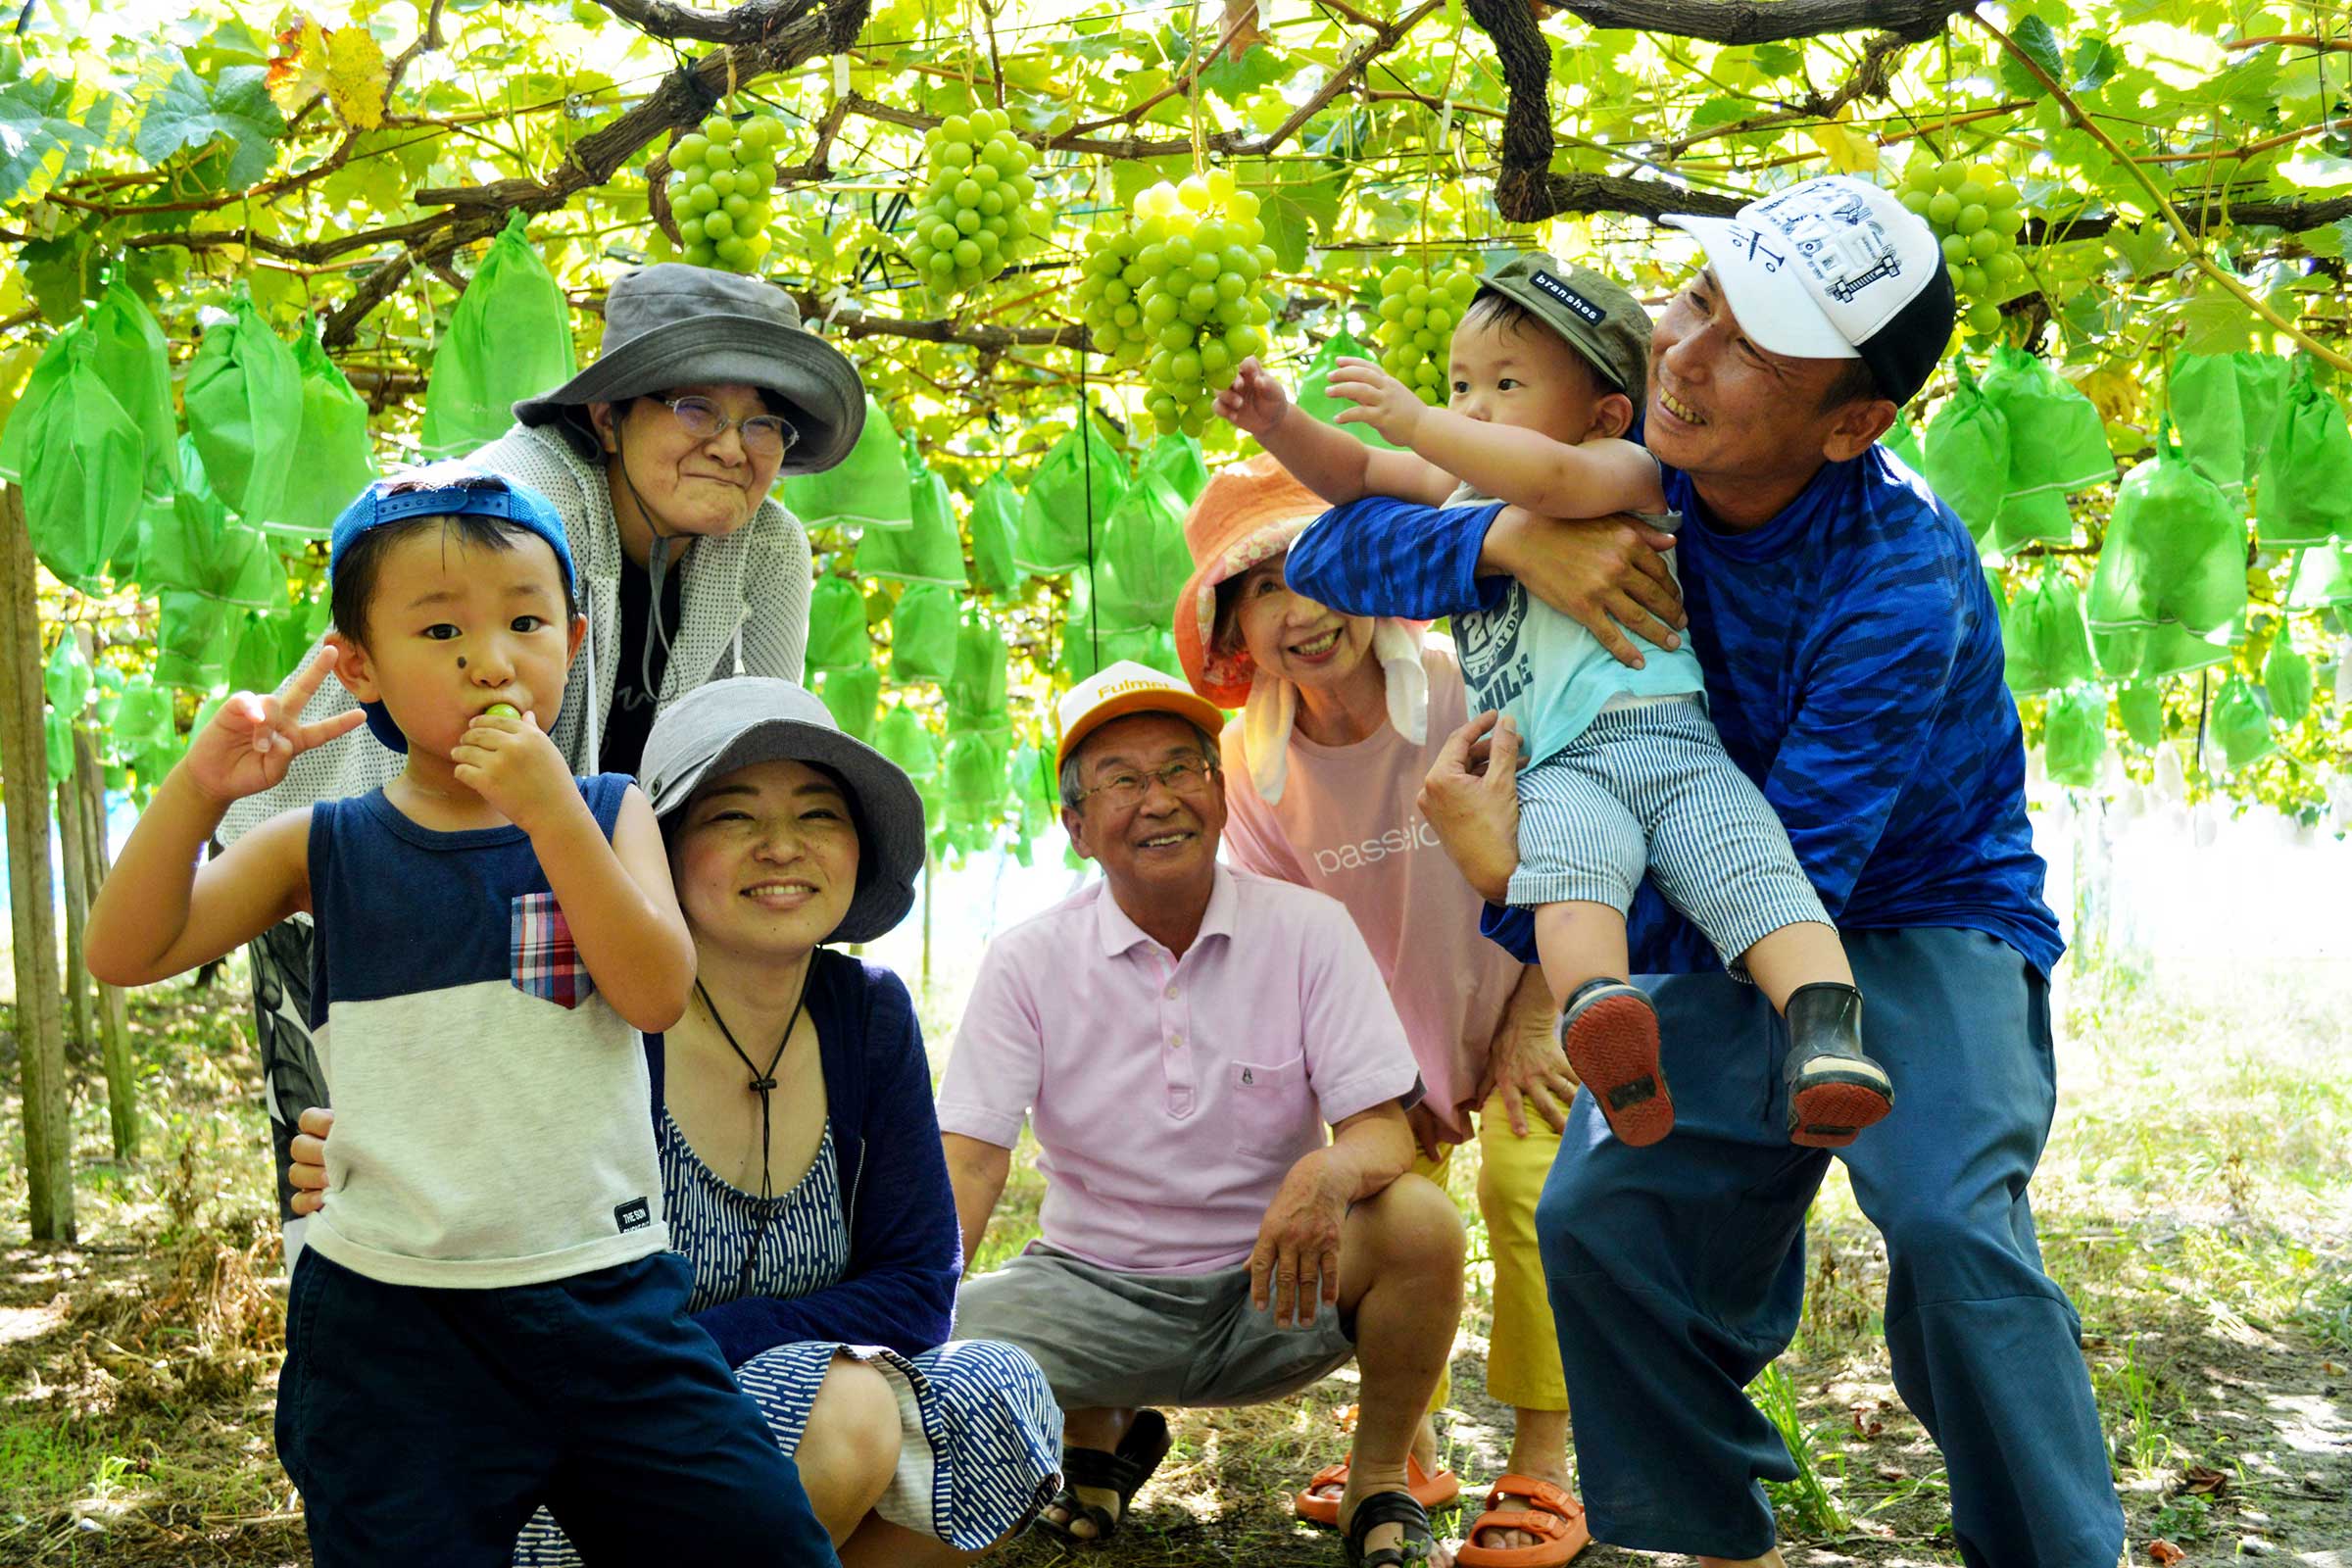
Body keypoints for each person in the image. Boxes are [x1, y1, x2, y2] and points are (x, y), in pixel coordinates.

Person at [1285, 174, 2128, 1567]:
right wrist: (1505, 541)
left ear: (1852, 424)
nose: (1681, 352)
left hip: (1906, 913)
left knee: (1946, 1223)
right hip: (1692, 867)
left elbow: (1795, 863)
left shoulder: (1896, 579)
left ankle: (2055, 1552)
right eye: (1696, 302)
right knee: (1604, 1214)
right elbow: (1330, 547)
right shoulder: (1624, 467)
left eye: (1748, 349)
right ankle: (1705, 1533)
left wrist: (1521, 886)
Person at [85, 470, 839, 1567]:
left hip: (610, 1300)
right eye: (441, 628)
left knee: (765, 1545)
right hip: (394, 1326)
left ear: (572, 640)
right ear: (360, 665)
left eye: (526, 622)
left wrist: (546, 808)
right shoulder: (323, 846)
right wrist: (199, 789)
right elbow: (127, 950)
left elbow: (654, 991)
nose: (491, 658)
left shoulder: (608, 812)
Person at [289, 677, 1063, 1566]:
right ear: (660, 849)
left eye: (819, 815)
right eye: (733, 817)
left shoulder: (868, 1016)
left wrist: (687, 1349)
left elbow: (920, 1285)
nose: (782, 848)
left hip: (722, 1403)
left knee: (997, 1390)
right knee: (849, 1409)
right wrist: (364, 1147)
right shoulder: (589, 1012)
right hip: (596, 1445)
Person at [222, 264, 867, 1255]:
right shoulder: (520, 507)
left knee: (542, 1153)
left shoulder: (769, 544)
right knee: (361, 1175)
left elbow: (750, 747)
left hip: (560, 848)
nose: (733, 446)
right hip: (372, 864)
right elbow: (474, 779)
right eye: (696, 403)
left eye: (766, 421)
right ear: (608, 416)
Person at [1217, 254, 1890, 1152]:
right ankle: (1608, 1032)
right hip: (1558, 768)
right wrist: (1281, 424)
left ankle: (1826, 1036)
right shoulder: (1465, 492)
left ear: (1604, 412)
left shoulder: (1624, 465)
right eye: (1458, 385)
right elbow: (1359, 479)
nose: (1470, 409)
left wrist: (1422, 423)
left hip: (1669, 745)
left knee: (1758, 882)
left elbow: (1547, 484)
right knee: (1568, 891)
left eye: (1504, 383)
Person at [938, 662, 1468, 1568]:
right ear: (1075, 828)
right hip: (1089, 1292)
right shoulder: (1029, 960)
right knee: (921, 1354)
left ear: (1221, 795)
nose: (1160, 800)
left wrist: (1327, 1172)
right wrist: (917, 1308)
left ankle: (1380, 1479)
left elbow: (1383, 1130)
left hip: (1275, 1287)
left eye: (1183, 769)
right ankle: (1096, 1445)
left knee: (1421, 1222)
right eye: (1123, 781)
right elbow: (973, 1159)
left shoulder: (1308, 929)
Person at [1170, 453, 1589, 1565]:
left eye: (1318, 569)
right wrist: (1380, 1086)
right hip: (1380, 1046)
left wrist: (1536, 1015)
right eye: (1260, 590)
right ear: (1232, 629)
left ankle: (1543, 1462)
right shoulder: (1248, 767)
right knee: (1395, 1217)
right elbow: (1291, 952)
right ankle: (1408, 1441)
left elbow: (1566, 843)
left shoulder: (1464, 683)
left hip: (1529, 991)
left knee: (1526, 1187)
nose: (1301, 609)